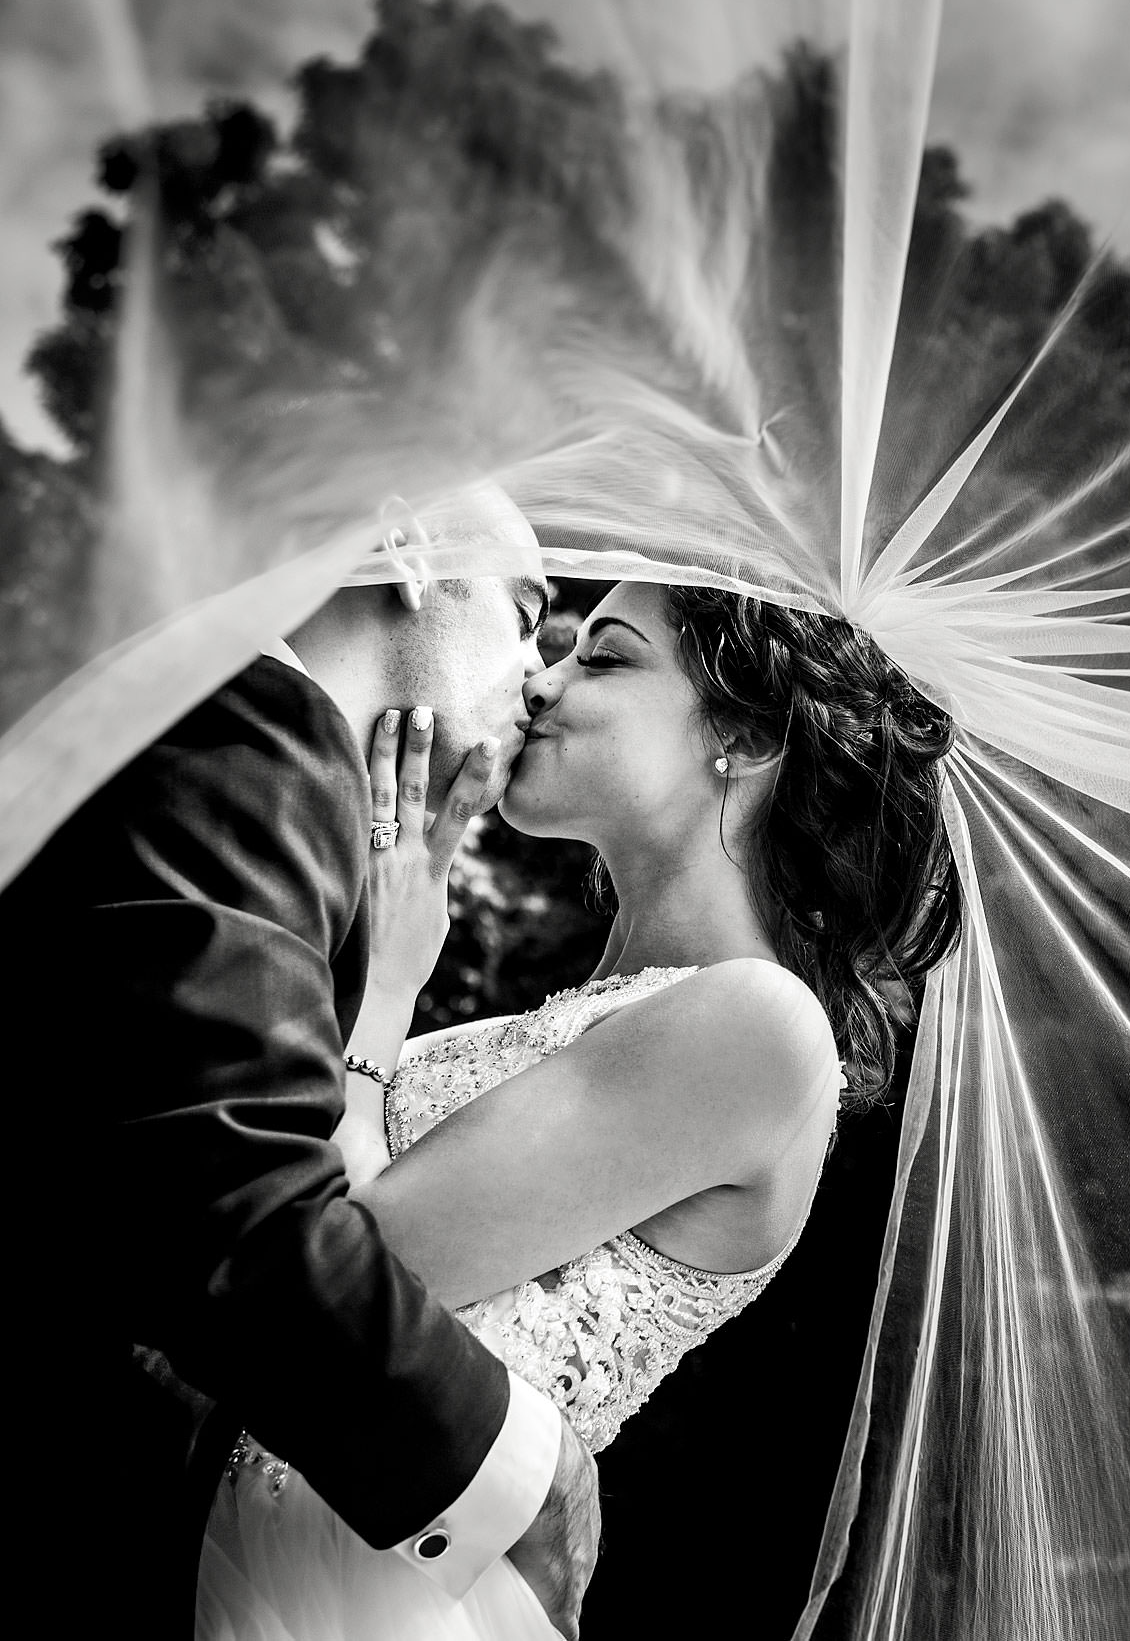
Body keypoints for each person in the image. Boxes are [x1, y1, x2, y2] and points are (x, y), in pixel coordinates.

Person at [195, 577, 962, 1639]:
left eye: (605, 658)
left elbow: (343, 1268)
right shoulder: (593, 1017)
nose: (542, 679)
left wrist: (380, 997)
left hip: (361, 1589)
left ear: (741, 735)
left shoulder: (759, 1027)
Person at [2, 485, 601, 1637]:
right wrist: (514, 1469)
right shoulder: (244, 729)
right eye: (525, 609)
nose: (535, 670)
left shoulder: (205, 721)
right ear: (413, 544)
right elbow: (223, 1203)